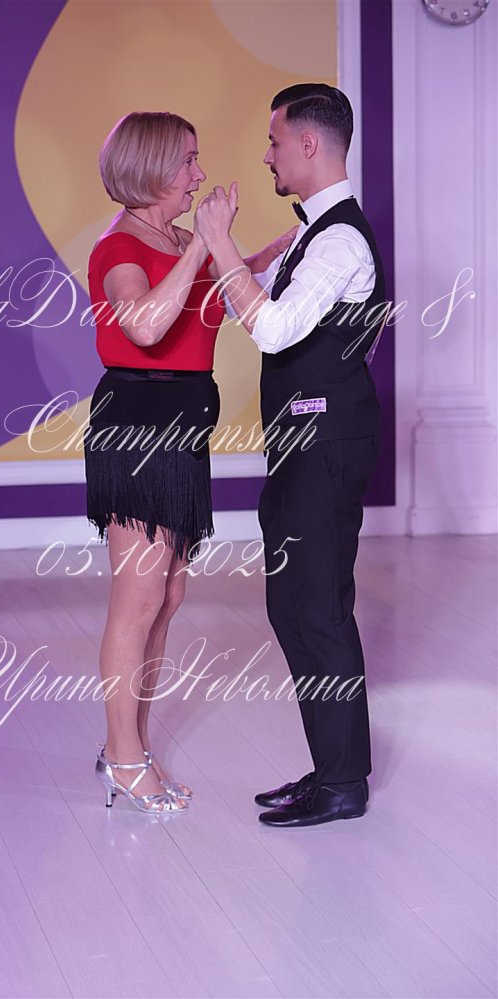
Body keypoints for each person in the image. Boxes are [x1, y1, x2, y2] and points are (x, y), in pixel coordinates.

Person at [86, 111, 296, 813]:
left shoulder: (176, 241)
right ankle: (123, 758)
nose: (199, 175)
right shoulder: (119, 247)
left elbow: (211, 304)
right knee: (139, 598)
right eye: (187, 162)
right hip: (138, 428)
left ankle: (131, 747)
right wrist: (203, 243)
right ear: (150, 169)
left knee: (168, 595)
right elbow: (145, 324)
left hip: (181, 429)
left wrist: (267, 251)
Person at [194, 83, 387, 827]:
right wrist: (241, 253)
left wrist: (220, 243)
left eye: (275, 141)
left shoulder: (339, 240)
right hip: (302, 444)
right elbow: (242, 298)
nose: (267, 155)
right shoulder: (313, 235)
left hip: (326, 445)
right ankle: (332, 767)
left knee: (318, 608)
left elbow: (270, 328)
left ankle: (344, 783)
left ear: (309, 144)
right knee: (293, 605)